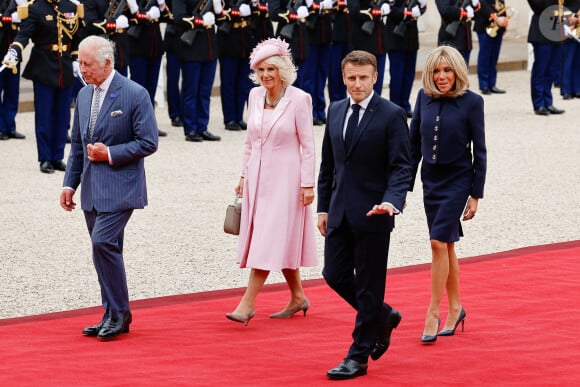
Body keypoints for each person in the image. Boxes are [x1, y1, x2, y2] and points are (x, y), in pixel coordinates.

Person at [318, 50, 412, 380]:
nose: (357, 84)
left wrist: (392, 201)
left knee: (370, 287)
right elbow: (328, 165)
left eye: (363, 78)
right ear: (343, 78)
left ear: (375, 78)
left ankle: (358, 357)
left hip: (375, 214)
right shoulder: (335, 110)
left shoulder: (392, 114)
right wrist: (323, 207)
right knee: (334, 275)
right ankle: (383, 316)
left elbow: (403, 165)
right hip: (340, 213)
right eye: (351, 78)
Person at [60, 36, 158, 340]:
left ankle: (121, 311)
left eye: (87, 64)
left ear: (108, 63)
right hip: (91, 189)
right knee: (106, 250)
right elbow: (78, 145)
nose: (82, 69)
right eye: (79, 62)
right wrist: (69, 184)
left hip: (122, 187)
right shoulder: (85, 95)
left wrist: (111, 154)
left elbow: (149, 142)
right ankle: (111, 313)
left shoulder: (135, 94)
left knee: (102, 243)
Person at [225, 38, 318, 326]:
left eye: (271, 69)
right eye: (261, 70)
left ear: (283, 70)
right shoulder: (254, 96)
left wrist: (307, 184)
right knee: (276, 238)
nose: (266, 75)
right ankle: (298, 296)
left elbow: (308, 146)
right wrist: (243, 176)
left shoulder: (299, 99)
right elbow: (250, 142)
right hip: (257, 178)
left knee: (267, 239)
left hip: (286, 181)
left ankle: (247, 304)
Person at [408, 46, 486, 344]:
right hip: (431, 181)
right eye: (437, 71)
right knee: (447, 246)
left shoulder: (473, 103)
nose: (442, 76)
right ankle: (456, 308)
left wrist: (475, 194)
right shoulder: (422, 99)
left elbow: (480, 150)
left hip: (458, 181)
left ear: (457, 72)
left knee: (437, 241)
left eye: (447, 70)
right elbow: (414, 145)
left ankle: (433, 310)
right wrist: (403, 188)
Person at [2, 0, 83, 173]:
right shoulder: (35, 7)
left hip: (65, 66)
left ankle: (57, 156)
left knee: (62, 116)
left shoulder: (70, 6)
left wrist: (75, 58)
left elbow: (77, 36)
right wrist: (14, 50)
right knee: (44, 115)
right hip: (43, 66)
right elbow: (23, 35)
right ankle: (45, 158)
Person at [172, 0, 222, 142]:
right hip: (191, 49)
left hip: (209, 48)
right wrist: (200, 21)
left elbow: (220, 19)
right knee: (191, 91)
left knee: (205, 92)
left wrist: (218, 9)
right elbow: (179, 17)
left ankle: (202, 127)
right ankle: (191, 128)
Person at [385, 0, 427, 117]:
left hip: (411, 39)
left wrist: (422, 8)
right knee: (397, 76)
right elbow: (388, 9)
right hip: (396, 38)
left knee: (409, 75)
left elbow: (420, 9)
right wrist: (405, 12)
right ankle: (395, 106)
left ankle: (405, 104)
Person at [527, 0, 566, 115]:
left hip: (556, 30)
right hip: (541, 30)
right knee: (541, 69)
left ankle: (548, 102)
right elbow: (538, 6)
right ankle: (538, 103)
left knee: (552, 70)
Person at [473, 0, 508, 95]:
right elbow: (482, 5)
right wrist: (496, 18)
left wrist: (504, 25)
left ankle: (492, 84)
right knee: (485, 55)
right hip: (484, 25)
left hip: (498, 27)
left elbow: (501, 5)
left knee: (494, 56)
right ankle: (484, 84)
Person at [435, 0, 481, 66]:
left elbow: (475, 14)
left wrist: (475, 6)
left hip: (466, 39)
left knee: (463, 72)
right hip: (450, 39)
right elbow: (444, 10)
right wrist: (464, 12)